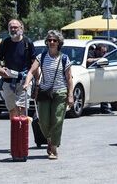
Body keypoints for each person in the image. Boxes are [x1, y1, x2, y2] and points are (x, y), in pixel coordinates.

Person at [23, 30, 74, 159]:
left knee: (57, 120)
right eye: (49, 40)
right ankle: (50, 138)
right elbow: (31, 71)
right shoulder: (42, 56)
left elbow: (69, 79)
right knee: (43, 121)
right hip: (45, 92)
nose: (52, 42)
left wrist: (70, 95)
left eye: (54, 40)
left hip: (60, 92)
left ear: (59, 43)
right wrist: (27, 83)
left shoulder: (64, 58)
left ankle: (54, 148)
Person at [0, 19, 36, 120]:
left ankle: (22, 134)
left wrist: (36, 82)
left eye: (16, 27)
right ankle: (15, 134)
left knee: (22, 109)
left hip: (24, 81)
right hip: (8, 82)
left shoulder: (28, 42)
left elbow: (35, 64)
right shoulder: (5, 42)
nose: (13, 29)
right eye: (11, 27)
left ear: (21, 29)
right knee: (12, 111)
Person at [86, 44, 113, 114]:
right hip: (90, 74)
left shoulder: (104, 55)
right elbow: (88, 60)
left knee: (104, 89)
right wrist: (99, 59)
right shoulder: (91, 52)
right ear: (97, 50)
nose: (104, 54)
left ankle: (105, 108)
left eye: (105, 52)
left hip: (101, 75)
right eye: (102, 52)